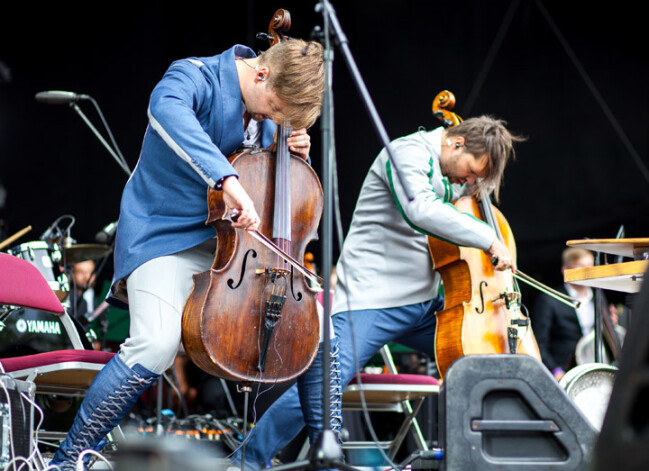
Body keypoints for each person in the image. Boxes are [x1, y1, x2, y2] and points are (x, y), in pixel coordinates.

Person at [50, 38, 331, 470]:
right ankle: (68, 460)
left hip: (237, 251)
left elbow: (274, 183)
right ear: (261, 74)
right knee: (156, 343)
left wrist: (291, 152)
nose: (273, 120)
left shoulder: (269, 112)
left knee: (318, 338)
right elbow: (168, 113)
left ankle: (295, 460)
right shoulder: (193, 75)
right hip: (165, 237)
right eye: (274, 108)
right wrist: (228, 181)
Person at [229, 115, 524, 470]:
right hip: (375, 300)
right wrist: (488, 238)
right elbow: (422, 209)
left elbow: (468, 195)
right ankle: (248, 460)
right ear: (456, 143)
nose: (471, 182)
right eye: (472, 172)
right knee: (327, 383)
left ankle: (495, 456)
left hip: (429, 304)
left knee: (491, 360)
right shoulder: (407, 153)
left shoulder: (454, 170)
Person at [531, 247, 620, 380]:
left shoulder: (599, 297)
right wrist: (555, 370)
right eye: (581, 267)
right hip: (565, 371)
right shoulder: (549, 299)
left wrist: (609, 325)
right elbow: (538, 343)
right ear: (565, 270)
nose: (587, 272)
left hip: (595, 368)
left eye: (590, 266)